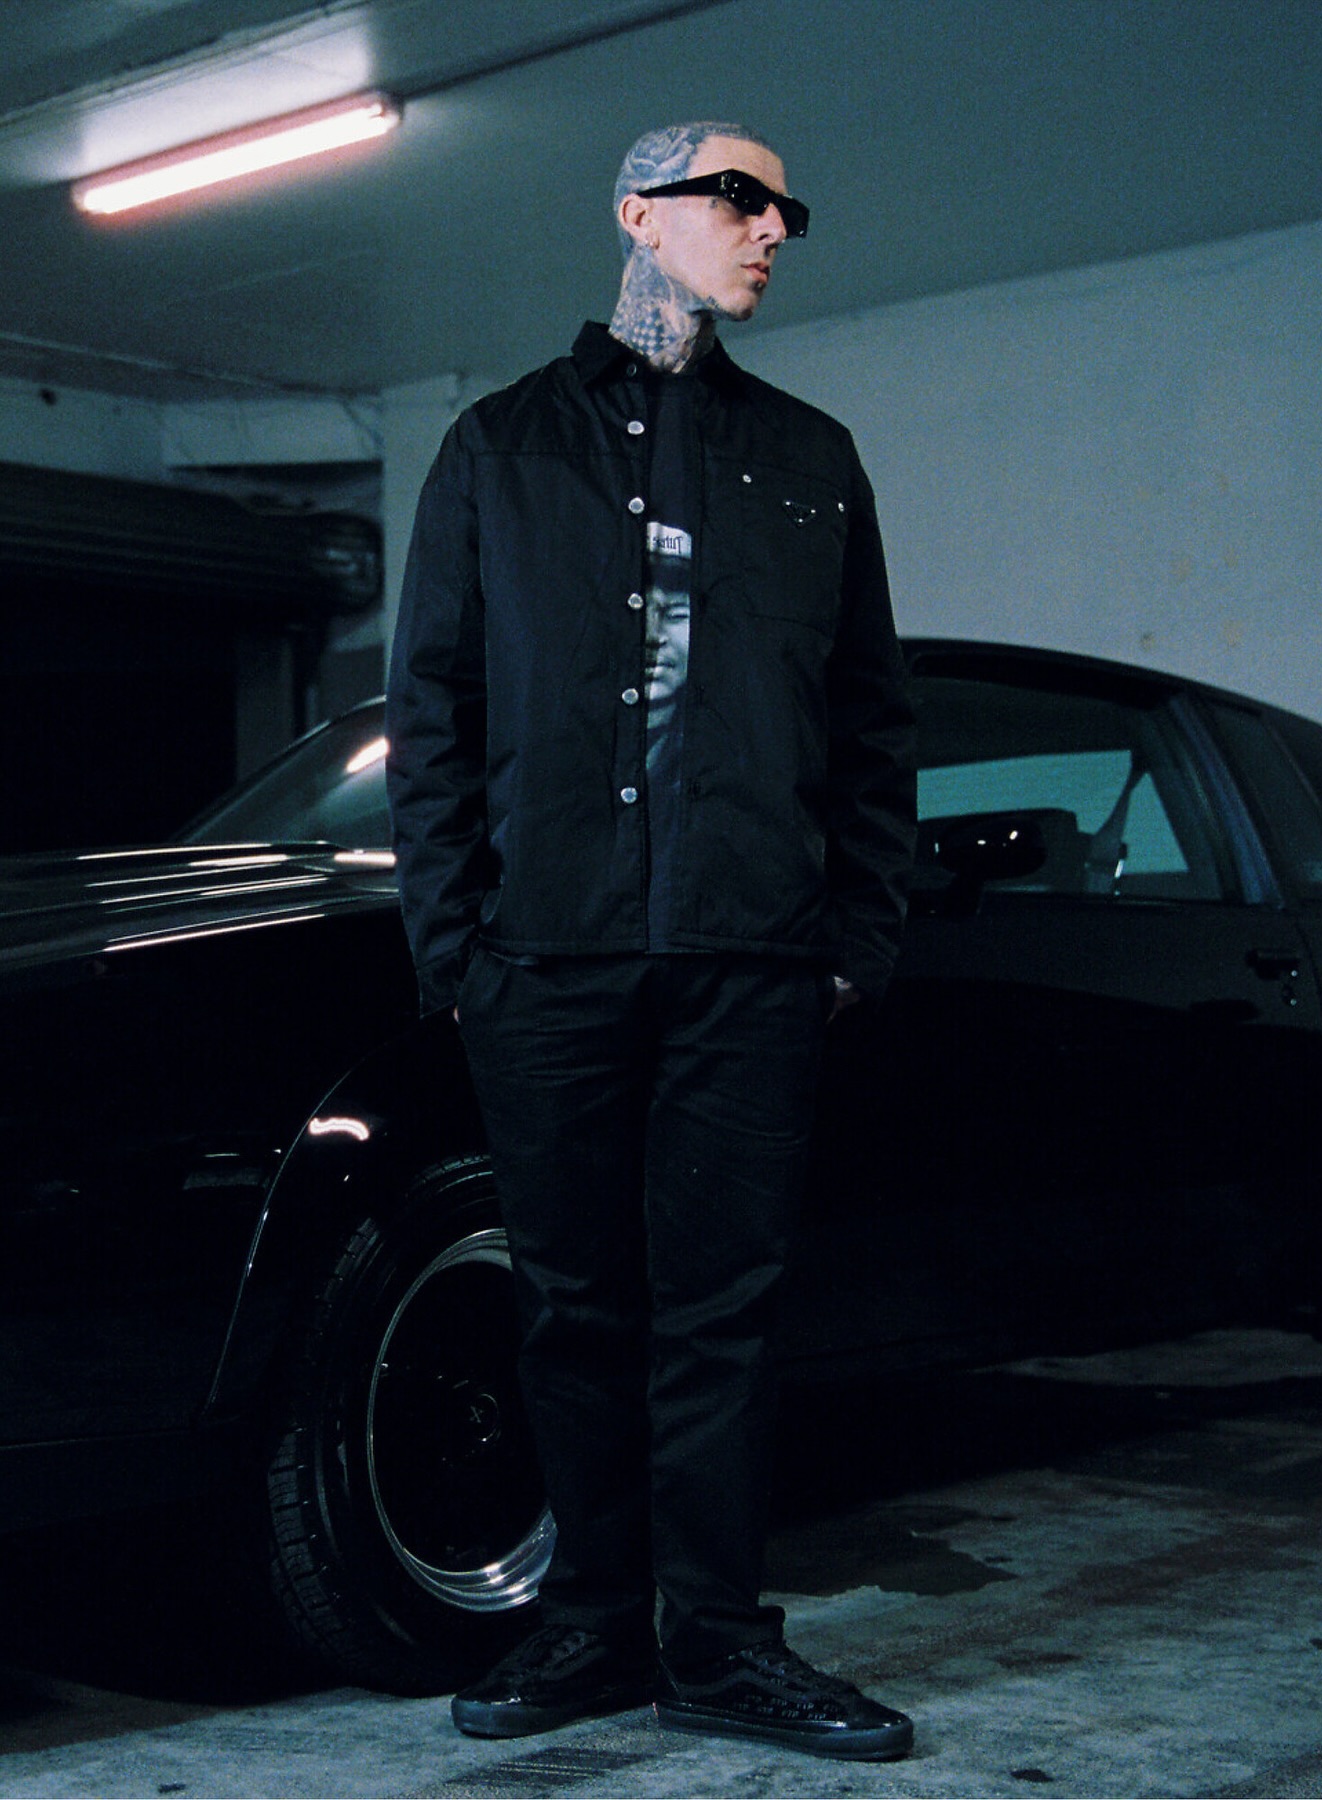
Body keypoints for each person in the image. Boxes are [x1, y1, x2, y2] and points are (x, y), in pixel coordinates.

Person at [386, 121, 917, 1763]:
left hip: (751, 963)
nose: (771, 229)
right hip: (545, 961)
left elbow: (873, 721)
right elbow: (432, 713)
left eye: (785, 209)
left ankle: (720, 1646)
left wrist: (854, 940)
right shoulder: (499, 447)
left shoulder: (812, 458)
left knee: (722, 1315)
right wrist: (459, 951)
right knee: (571, 1308)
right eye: (737, 198)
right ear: (638, 214)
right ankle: (592, 1625)